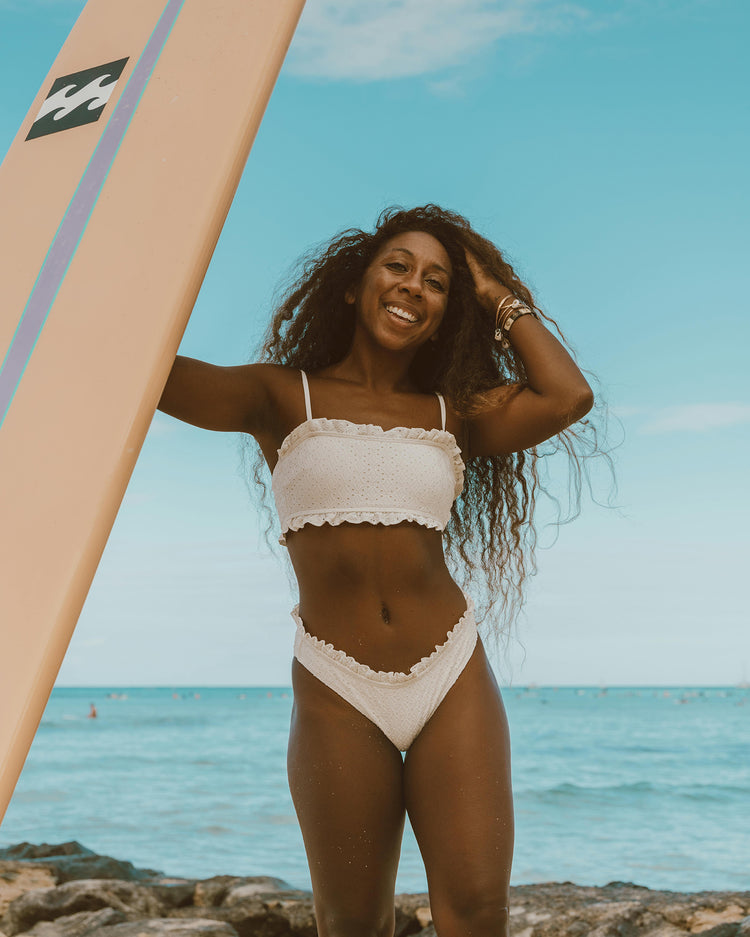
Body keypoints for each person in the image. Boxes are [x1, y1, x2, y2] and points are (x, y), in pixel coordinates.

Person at [158, 205, 596, 937]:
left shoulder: (452, 411)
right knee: (352, 920)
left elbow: (566, 396)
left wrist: (494, 294)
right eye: (397, 266)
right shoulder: (279, 395)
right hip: (337, 682)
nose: (414, 287)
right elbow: (151, 376)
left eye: (437, 282)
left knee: (478, 910)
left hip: (448, 670)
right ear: (352, 287)